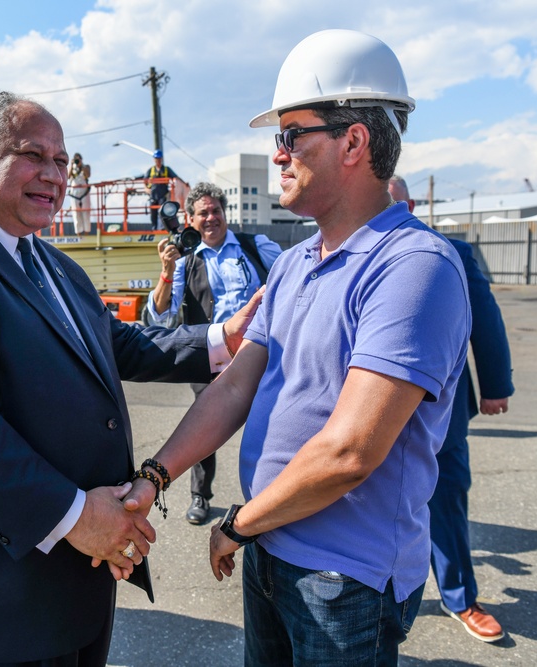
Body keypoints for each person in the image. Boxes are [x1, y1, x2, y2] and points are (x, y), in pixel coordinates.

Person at [0, 91, 259, 666]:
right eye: (32, 155)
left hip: (76, 574)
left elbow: (115, 344)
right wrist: (75, 515)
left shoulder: (53, 263)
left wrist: (221, 340)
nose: (53, 175)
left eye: (62, 162)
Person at [123, 30, 470, 665]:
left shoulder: (413, 266)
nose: (276, 154)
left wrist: (237, 524)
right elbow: (233, 387)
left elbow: (349, 453)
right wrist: (155, 476)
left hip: (345, 578)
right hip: (271, 547)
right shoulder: (292, 264)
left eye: (290, 135)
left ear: (355, 142)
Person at [391, 175, 514, 642]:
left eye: (397, 202)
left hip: (440, 409)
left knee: (446, 495)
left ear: (412, 203)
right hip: (364, 406)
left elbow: (487, 321)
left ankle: (459, 595)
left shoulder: (452, 254)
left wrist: (495, 385)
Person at [146, 181, 282, 524]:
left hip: (262, 354)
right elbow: (160, 315)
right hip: (214, 356)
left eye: (216, 211)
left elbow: (291, 279)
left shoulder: (255, 246)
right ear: (189, 219)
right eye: (203, 213)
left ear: (225, 214)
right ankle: (199, 495)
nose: (211, 218)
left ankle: (274, 498)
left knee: (274, 426)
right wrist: (166, 272)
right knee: (205, 427)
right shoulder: (187, 261)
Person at [141, 149, 185, 230]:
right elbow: (145, 180)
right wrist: (146, 188)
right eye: (156, 158)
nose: (157, 160)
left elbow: (176, 177)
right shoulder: (151, 170)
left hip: (163, 195)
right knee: (153, 213)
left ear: (161, 159)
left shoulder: (166, 169)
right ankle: (154, 229)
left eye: (159, 158)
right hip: (153, 195)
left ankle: (162, 228)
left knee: (163, 211)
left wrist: (184, 183)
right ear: (154, 159)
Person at [68, 153, 92, 235]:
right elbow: (68, 176)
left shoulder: (86, 167)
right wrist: (71, 164)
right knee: (76, 213)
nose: (77, 161)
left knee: (86, 212)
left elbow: (88, 175)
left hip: (84, 193)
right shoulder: (72, 168)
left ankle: (86, 233)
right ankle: (78, 233)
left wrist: (81, 165)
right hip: (74, 193)